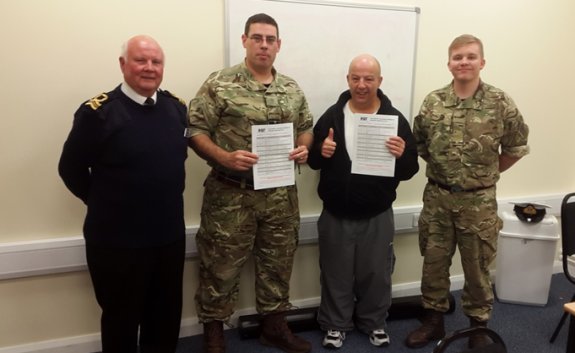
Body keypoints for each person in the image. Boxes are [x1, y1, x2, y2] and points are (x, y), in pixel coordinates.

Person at [187, 13, 313, 353]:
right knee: (219, 267)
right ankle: (214, 334)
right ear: (244, 40)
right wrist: (223, 157)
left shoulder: (291, 88)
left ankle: (274, 328)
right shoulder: (219, 84)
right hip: (231, 194)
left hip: (280, 196)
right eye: (257, 38)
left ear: (278, 45)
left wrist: (305, 147)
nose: (264, 45)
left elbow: (306, 125)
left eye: (270, 39)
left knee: (278, 263)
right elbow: (195, 130)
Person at [58, 35, 188, 353]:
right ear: (123, 64)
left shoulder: (176, 108)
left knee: (165, 320)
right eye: (140, 60)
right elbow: (70, 169)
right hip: (116, 243)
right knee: (121, 323)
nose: (149, 68)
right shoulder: (98, 113)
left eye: (156, 62)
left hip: (168, 238)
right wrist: (105, 203)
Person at [405, 34, 530, 349]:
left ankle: (478, 328)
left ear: (482, 62)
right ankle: (433, 320)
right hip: (437, 198)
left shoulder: (500, 102)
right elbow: (420, 143)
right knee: (433, 262)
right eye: (458, 57)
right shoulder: (433, 101)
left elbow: (516, 147)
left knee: (476, 267)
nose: (464, 62)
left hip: (479, 201)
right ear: (449, 63)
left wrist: (486, 174)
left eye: (470, 56)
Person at [307, 54, 419, 349]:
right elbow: (314, 162)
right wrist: (323, 150)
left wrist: (401, 154)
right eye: (356, 77)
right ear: (348, 80)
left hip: (377, 213)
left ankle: (373, 322)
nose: (362, 84)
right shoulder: (332, 116)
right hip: (336, 212)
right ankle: (335, 324)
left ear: (379, 82)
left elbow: (410, 170)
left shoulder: (394, 120)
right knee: (335, 272)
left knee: (377, 273)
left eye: (369, 78)